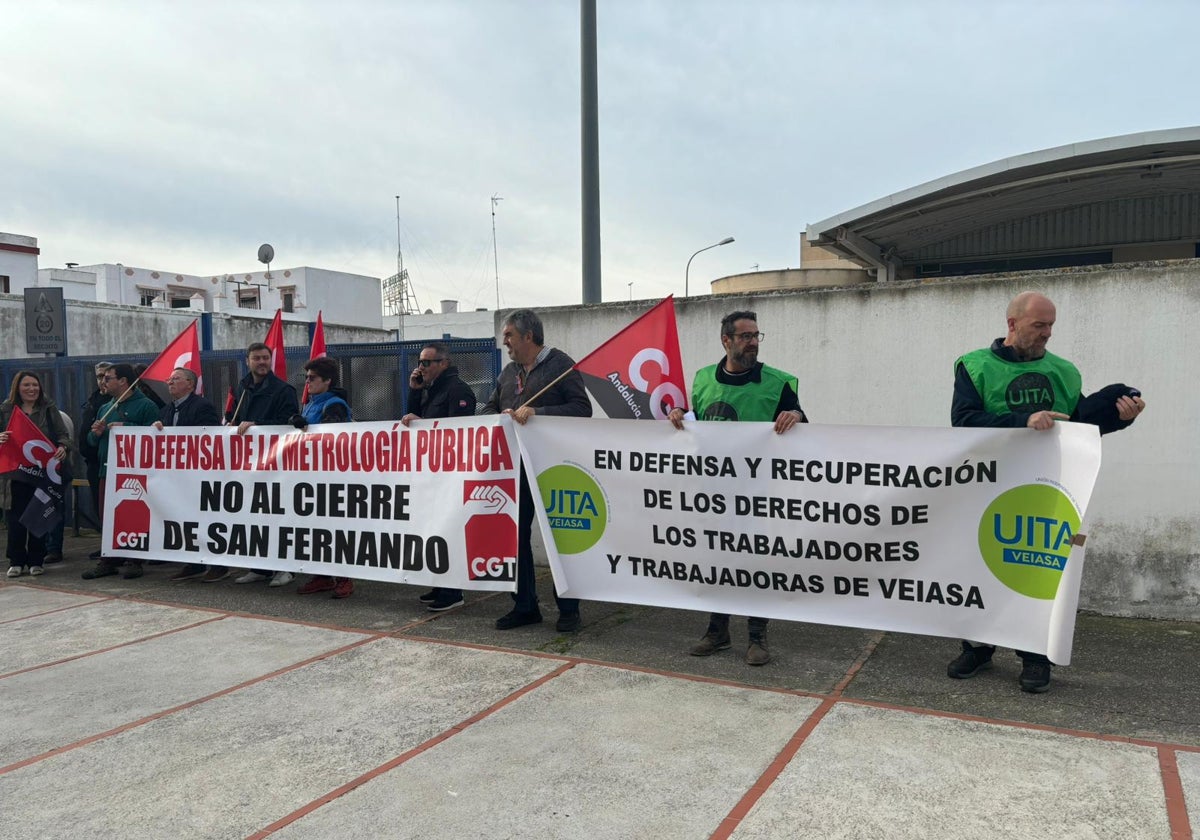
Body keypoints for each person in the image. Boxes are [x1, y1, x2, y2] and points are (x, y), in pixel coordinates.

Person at [945, 290, 1146, 693]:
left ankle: (1036, 655)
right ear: (1012, 324)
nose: (1047, 333)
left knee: (1039, 571)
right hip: (988, 484)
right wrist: (1024, 419)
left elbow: (1077, 426)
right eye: (1039, 325)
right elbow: (964, 421)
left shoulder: (1065, 371)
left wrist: (1120, 418)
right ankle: (978, 646)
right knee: (981, 567)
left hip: (1047, 488)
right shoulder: (974, 366)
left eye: (1051, 325)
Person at [668, 311, 807, 666]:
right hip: (712, 493)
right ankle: (718, 631)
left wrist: (797, 417)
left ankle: (757, 635)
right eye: (745, 336)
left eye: (757, 335)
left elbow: (804, 425)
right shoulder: (701, 380)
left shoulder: (778, 383)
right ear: (726, 341)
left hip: (759, 494)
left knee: (756, 561)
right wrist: (679, 414)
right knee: (715, 560)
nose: (753, 342)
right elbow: (694, 419)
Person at [482, 309, 592, 632]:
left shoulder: (561, 366)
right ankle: (525, 605)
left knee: (559, 536)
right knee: (515, 536)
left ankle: (569, 609)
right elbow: (488, 405)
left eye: (509, 336)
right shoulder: (507, 373)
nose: (505, 343)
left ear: (528, 337)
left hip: (554, 467)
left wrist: (538, 413)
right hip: (516, 468)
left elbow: (581, 410)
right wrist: (500, 414)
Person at [401, 341, 478, 611]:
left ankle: (453, 591)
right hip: (434, 474)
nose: (420, 367)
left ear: (443, 363)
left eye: (426, 363)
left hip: (451, 475)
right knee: (434, 530)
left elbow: (456, 432)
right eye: (420, 362)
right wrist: (414, 391)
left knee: (449, 530)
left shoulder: (457, 390)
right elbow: (416, 420)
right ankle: (441, 583)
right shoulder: (433, 390)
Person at [227, 341, 300, 587]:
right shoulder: (242, 387)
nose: (261, 362)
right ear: (247, 361)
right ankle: (259, 568)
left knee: (277, 517)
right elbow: (235, 417)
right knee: (252, 516)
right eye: (256, 358)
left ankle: (285, 569)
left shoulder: (283, 390)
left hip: (275, 464)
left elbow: (286, 424)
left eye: (265, 358)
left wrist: (257, 424)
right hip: (249, 464)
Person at [81, 363, 159, 579]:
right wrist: (95, 434)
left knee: (134, 515)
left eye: (108, 378)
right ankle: (109, 560)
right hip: (107, 470)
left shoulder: (145, 405)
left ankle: (135, 560)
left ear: (123, 381)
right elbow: (91, 440)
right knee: (107, 517)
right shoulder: (105, 408)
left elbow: (155, 436)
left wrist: (127, 427)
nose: (103, 382)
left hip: (134, 471)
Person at [291, 357, 356, 599]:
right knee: (316, 529)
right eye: (306, 378)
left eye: (312, 378)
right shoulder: (310, 403)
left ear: (327, 381)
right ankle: (322, 575)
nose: (308, 382)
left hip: (333, 477)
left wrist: (305, 426)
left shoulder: (335, 404)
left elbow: (331, 436)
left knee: (336, 530)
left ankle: (344, 578)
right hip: (313, 477)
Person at [153, 368, 222, 582]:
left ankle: (218, 565)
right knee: (184, 519)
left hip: (200, 475)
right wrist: (157, 429)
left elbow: (209, 437)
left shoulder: (203, 407)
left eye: (176, 379)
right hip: (176, 477)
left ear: (190, 385)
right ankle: (193, 562)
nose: (170, 383)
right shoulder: (166, 410)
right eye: (169, 379)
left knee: (206, 519)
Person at [1, 371, 72, 578]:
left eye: (35, 385)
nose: (32, 389)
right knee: (14, 520)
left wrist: (62, 447)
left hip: (41, 475)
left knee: (38, 516)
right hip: (15, 476)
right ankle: (16, 561)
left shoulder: (49, 409)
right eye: (27, 385)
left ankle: (36, 560)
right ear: (17, 388)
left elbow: (63, 435)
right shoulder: (5, 410)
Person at [78, 362, 114, 558]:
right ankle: (106, 544)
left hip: (110, 463)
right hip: (93, 462)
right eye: (99, 376)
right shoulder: (95, 399)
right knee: (99, 506)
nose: (102, 381)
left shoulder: (114, 402)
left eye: (106, 376)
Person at [41, 408, 75, 564]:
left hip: (56, 470)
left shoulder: (57, 418)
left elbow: (66, 442)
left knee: (53, 507)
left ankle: (53, 547)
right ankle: (46, 547)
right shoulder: (61, 416)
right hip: (42, 469)